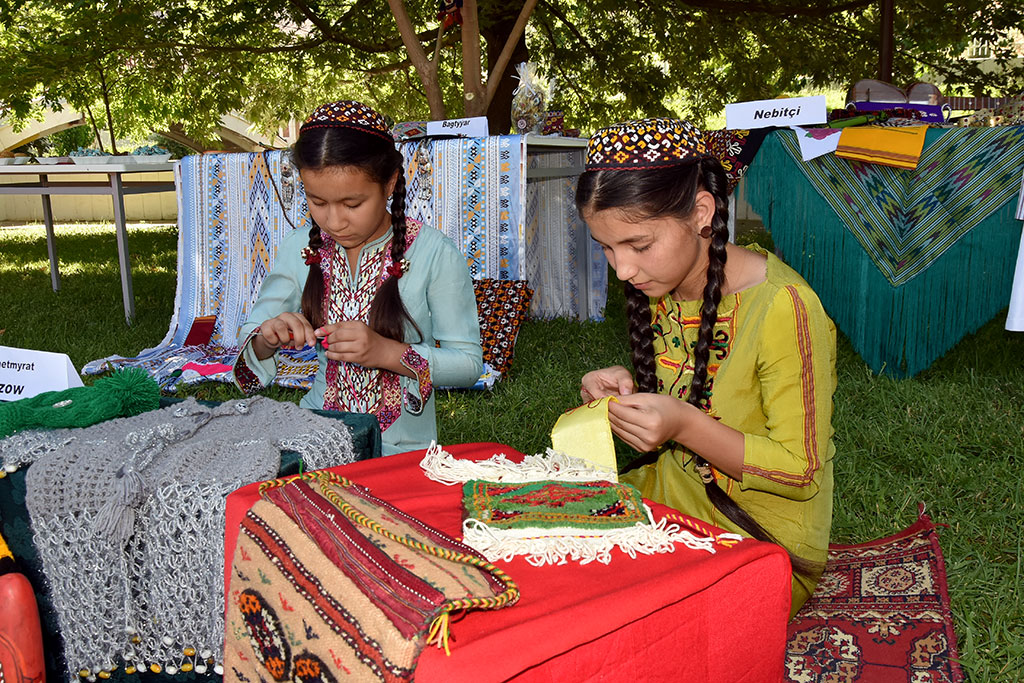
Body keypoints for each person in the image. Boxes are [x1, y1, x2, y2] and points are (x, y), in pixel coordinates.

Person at [576, 118, 837, 616]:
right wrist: (617, 392)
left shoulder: (784, 306)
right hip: (675, 492)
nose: (623, 270)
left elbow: (801, 471)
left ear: (701, 212)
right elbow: (691, 387)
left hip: (761, 539)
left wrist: (684, 424)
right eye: (606, 248)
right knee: (536, 533)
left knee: (604, 607)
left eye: (639, 245)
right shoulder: (666, 283)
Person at [233, 101, 483, 456]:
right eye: (317, 202)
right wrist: (268, 337)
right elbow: (251, 335)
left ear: (390, 182)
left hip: (400, 449)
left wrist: (388, 352)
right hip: (314, 434)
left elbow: (468, 363)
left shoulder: (433, 253)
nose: (334, 222)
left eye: (352, 204)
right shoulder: (298, 248)